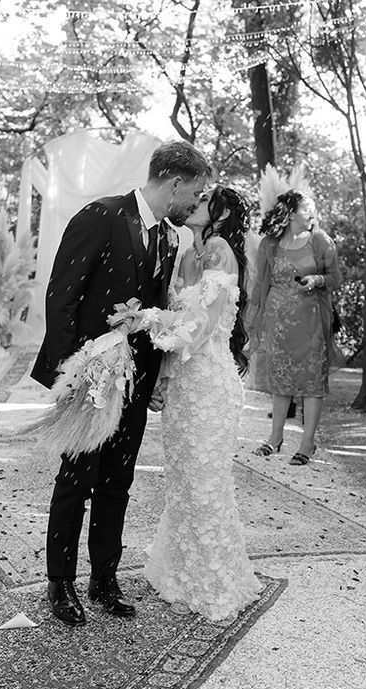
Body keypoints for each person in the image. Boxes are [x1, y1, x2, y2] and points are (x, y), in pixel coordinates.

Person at [31, 140, 211, 627]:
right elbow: (61, 298)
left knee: (118, 481)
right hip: (90, 380)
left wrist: (156, 377)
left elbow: (153, 312)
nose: (196, 204)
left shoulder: (171, 240)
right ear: (174, 183)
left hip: (136, 380)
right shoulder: (101, 216)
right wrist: (71, 377)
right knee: (76, 480)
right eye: (195, 193)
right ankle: (60, 584)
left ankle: (103, 578)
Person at [136, 185, 263, 620]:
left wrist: (155, 326)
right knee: (185, 482)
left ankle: (214, 583)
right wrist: (163, 377)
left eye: (205, 200)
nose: (195, 203)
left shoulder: (221, 251)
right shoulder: (187, 254)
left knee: (207, 482)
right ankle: (181, 572)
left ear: (220, 215)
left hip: (210, 384)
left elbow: (203, 325)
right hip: (185, 385)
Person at [249, 186, 342, 465]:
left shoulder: (320, 241)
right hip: (278, 322)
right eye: (305, 208)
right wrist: (255, 319)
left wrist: (316, 281)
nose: (311, 213)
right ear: (290, 214)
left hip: (311, 322)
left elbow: (335, 277)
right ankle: (275, 438)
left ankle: (307, 443)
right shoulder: (270, 244)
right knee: (281, 381)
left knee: (312, 383)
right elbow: (260, 285)